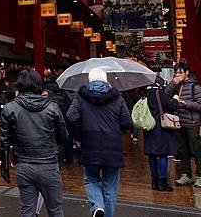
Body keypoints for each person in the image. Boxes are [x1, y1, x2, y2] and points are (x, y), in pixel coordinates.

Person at [0, 70, 68, 217]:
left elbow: (4, 140)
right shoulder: (52, 107)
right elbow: (63, 136)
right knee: (55, 210)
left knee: (28, 210)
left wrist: (4, 166)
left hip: (24, 164)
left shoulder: (10, 108)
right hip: (48, 163)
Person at [66, 68, 132, 217]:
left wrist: (79, 136)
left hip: (89, 145)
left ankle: (97, 206)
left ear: (89, 80)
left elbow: (71, 116)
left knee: (90, 179)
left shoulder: (80, 97)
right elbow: (127, 122)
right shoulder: (117, 98)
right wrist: (116, 129)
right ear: (106, 80)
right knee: (110, 188)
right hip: (113, 148)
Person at [164, 63, 201, 187]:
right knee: (182, 150)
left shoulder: (195, 87)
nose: (178, 75)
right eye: (176, 72)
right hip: (179, 122)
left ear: (186, 72)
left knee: (196, 150)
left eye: (180, 72)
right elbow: (165, 95)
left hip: (192, 123)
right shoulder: (176, 85)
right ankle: (186, 175)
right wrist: (173, 83)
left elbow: (199, 105)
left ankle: (200, 176)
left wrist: (185, 103)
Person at [143, 80, 178, 191]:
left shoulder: (145, 95)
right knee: (163, 154)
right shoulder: (160, 93)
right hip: (160, 128)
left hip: (149, 127)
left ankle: (154, 181)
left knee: (152, 155)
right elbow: (171, 106)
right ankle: (162, 182)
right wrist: (176, 100)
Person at [43, 74, 72, 166]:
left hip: (47, 120)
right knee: (62, 140)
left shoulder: (45, 92)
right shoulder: (64, 93)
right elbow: (68, 109)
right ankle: (64, 160)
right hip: (62, 119)